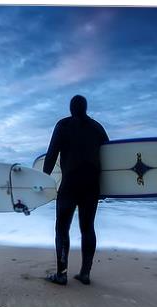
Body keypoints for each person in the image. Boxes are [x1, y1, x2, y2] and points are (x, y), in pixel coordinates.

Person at [43, 95, 109, 285]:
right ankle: (85, 273)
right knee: (88, 227)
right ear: (85, 108)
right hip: (92, 185)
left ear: (71, 108)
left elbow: (52, 154)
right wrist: (107, 187)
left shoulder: (63, 125)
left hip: (70, 184)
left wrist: (43, 180)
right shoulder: (97, 127)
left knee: (62, 228)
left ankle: (62, 274)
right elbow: (111, 157)